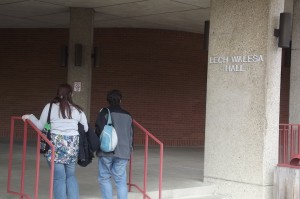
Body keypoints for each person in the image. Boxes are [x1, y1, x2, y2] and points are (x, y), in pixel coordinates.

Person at [22, 83, 88, 199]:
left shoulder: (50, 107)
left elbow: (40, 126)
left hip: (54, 148)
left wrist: (29, 116)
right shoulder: (78, 110)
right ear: (71, 94)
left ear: (58, 94)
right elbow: (85, 128)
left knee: (59, 178)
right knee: (71, 176)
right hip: (72, 148)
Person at [95, 89, 134, 199]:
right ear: (120, 100)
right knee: (120, 180)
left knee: (104, 177)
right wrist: (130, 150)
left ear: (108, 100)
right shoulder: (128, 115)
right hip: (123, 151)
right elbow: (131, 134)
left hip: (106, 150)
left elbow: (98, 130)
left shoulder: (104, 112)